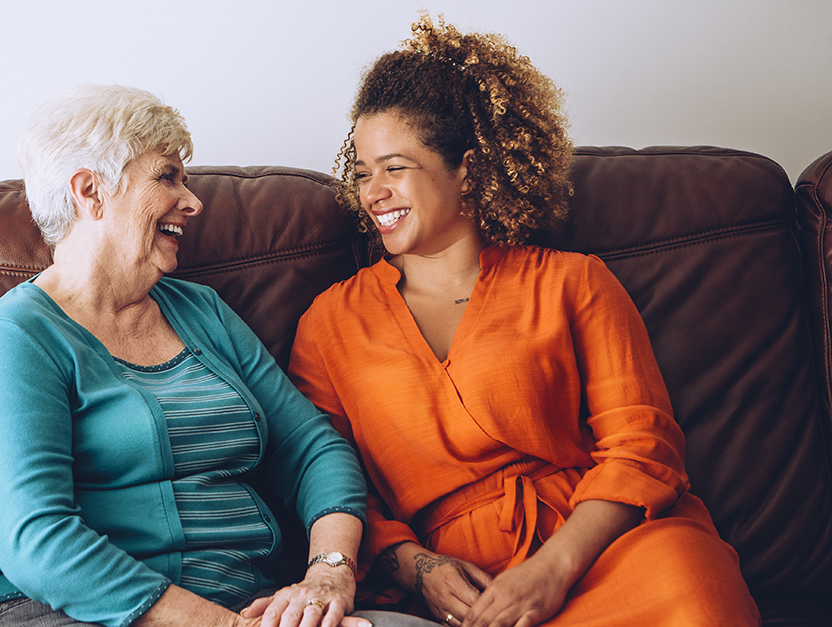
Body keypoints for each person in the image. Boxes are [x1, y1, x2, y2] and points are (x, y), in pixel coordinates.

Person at [287, 15, 761, 627]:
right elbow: (331, 482)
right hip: (457, 587)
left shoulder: (573, 282)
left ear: (467, 169)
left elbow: (642, 449)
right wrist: (420, 570)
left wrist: (554, 569)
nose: (371, 191)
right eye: (361, 172)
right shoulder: (330, 323)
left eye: (394, 167)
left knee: (693, 589)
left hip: (599, 550)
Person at [0, 84, 419, 627]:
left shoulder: (201, 311)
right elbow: (38, 541)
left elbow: (313, 448)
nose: (193, 203)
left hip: (249, 602)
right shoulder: (16, 338)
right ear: (90, 191)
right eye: (166, 177)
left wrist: (326, 574)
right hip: (64, 613)